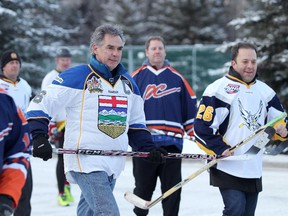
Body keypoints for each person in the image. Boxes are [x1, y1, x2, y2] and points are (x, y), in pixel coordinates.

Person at [26, 24, 166, 216]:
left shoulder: (129, 84)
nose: (115, 53)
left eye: (119, 48)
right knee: (108, 213)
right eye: (110, 47)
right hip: (86, 162)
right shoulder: (76, 76)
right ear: (95, 48)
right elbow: (39, 104)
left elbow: (135, 124)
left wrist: (148, 149)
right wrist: (39, 137)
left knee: (89, 213)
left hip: (112, 164)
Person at [194, 42, 288, 216]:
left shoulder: (265, 92)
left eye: (253, 62)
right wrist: (220, 148)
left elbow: (280, 120)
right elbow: (201, 128)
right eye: (245, 61)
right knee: (234, 210)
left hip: (253, 165)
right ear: (233, 63)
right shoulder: (217, 90)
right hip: (227, 165)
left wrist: (282, 130)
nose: (250, 66)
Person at [131, 36, 198, 216]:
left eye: (160, 48)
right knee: (142, 190)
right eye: (153, 48)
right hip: (145, 145)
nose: (157, 51)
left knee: (172, 191)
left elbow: (190, 109)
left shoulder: (177, 78)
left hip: (172, 145)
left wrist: (200, 139)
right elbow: (126, 111)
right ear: (147, 52)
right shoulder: (135, 78)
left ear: (165, 51)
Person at [0, 50, 33, 216]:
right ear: (3, 67)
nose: (15, 65)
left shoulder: (25, 86)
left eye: (17, 63)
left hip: (20, 143)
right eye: (11, 63)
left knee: (25, 193)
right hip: (4, 141)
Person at [41, 47, 74, 206]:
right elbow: (45, 102)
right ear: (57, 61)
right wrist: (50, 124)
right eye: (62, 59)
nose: (65, 62)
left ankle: (67, 187)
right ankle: (61, 192)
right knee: (62, 159)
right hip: (59, 125)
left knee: (71, 159)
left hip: (72, 124)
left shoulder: (72, 75)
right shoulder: (50, 77)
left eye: (67, 59)